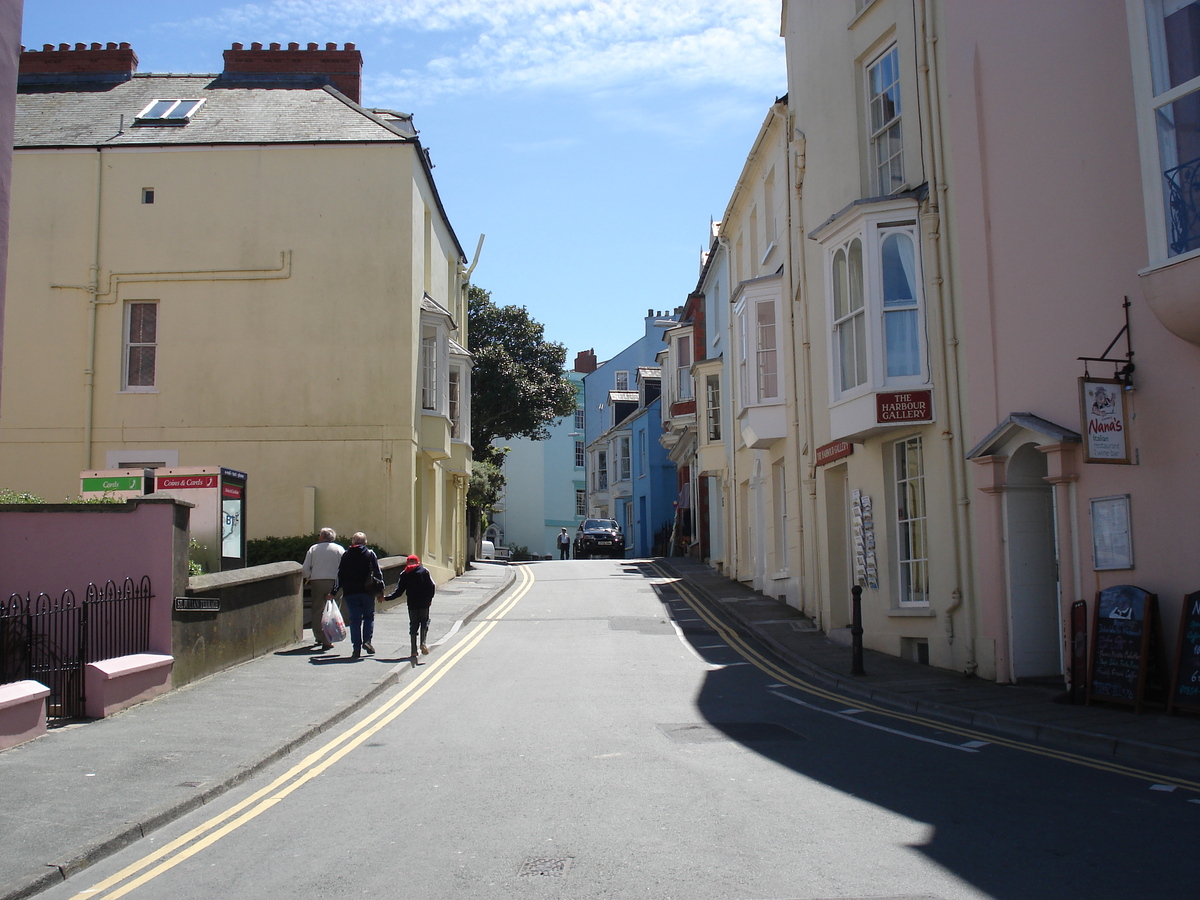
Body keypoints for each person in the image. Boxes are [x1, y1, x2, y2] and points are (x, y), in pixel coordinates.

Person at [334, 532, 384, 660]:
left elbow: (340, 575)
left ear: (353, 542)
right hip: (367, 591)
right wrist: (380, 592)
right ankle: (367, 640)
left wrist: (333, 592)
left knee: (354, 620)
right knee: (368, 617)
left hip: (350, 592)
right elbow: (378, 573)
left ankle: (356, 648)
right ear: (365, 542)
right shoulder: (370, 554)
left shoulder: (346, 555)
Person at [386, 554, 436, 662]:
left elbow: (398, 592)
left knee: (413, 624)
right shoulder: (424, 571)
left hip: (412, 603)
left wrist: (386, 598)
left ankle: (413, 650)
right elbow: (431, 586)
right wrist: (430, 599)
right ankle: (423, 643)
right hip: (424, 602)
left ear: (407, 563)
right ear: (418, 562)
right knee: (424, 621)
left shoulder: (404, 574)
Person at [301, 528, 344, 650]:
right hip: (335, 582)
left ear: (322, 537)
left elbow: (305, 569)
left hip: (318, 581)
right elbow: (344, 568)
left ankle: (319, 636)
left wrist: (309, 576)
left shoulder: (314, 549)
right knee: (333, 610)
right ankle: (330, 637)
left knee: (317, 610)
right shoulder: (339, 549)